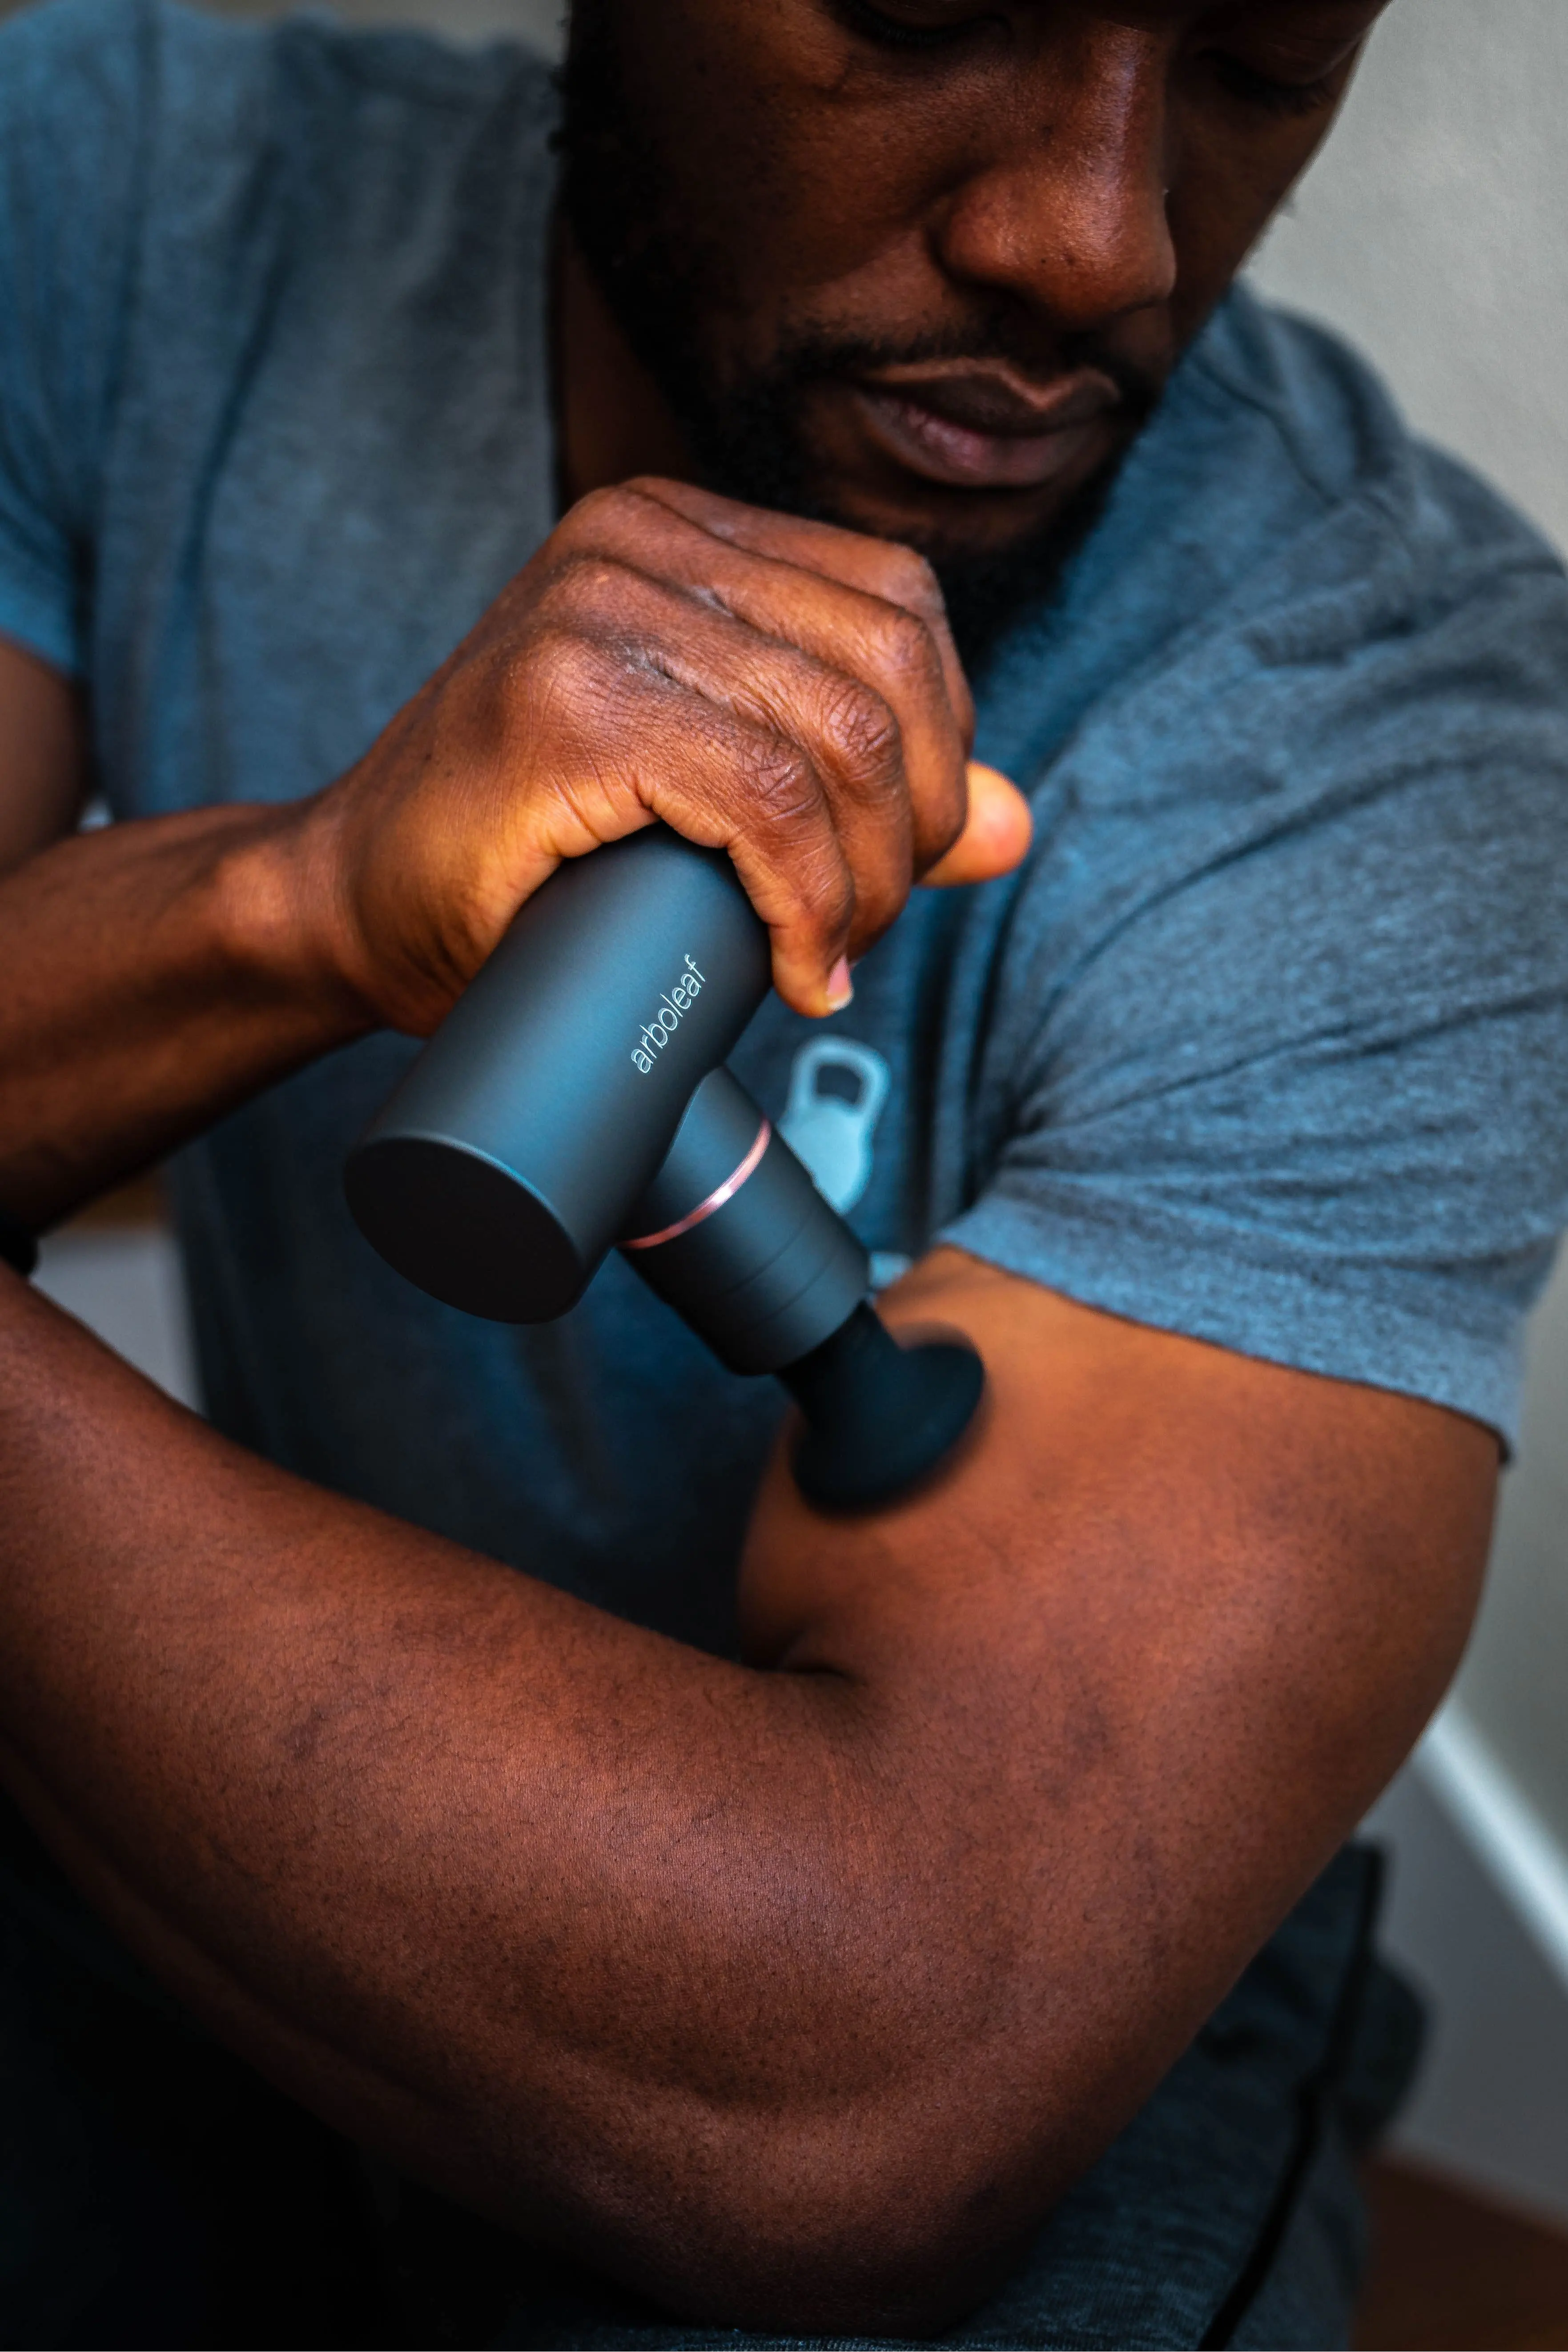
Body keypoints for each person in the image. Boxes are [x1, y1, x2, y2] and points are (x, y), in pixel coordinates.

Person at [0, 0, 1565, 2342]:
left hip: (931, 2061)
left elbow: (866, 2075)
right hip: (178, 1762)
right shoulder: (117, 186)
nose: (1094, 238)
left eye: (1259, 54)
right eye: (942, 4)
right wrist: (296, 904)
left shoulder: (1404, 745)